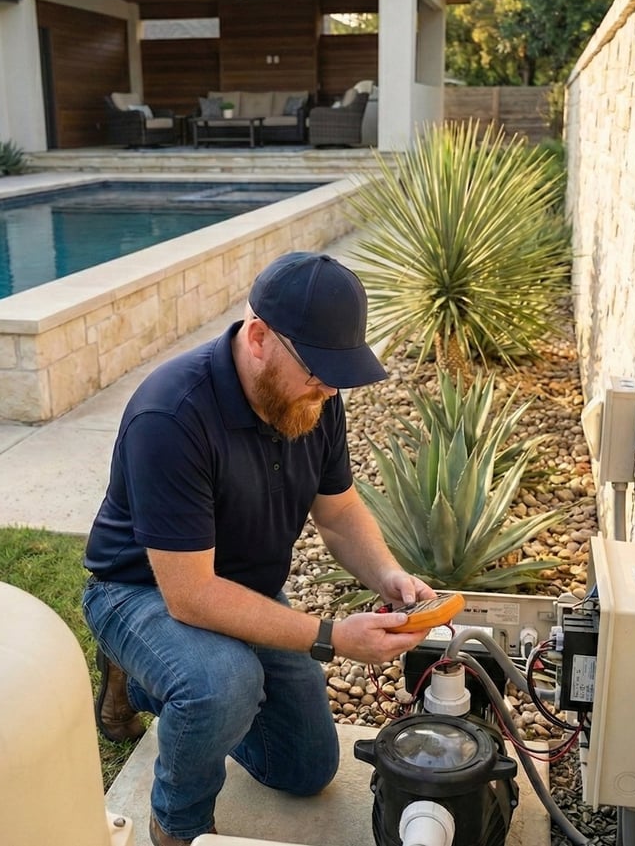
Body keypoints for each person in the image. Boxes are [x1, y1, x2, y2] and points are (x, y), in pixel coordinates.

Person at [82, 250, 435, 846]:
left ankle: (151, 685)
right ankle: (180, 826)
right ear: (259, 336)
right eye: (317, 368)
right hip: (140, 592)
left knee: (305, 770)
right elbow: (191, 596)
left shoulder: (316, 397)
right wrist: (330, 637)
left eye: (337, 370)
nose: (328, 385)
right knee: (222, 682)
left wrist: (389, 575)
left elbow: (340, 510)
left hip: (243, 589)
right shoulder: (171, 413)